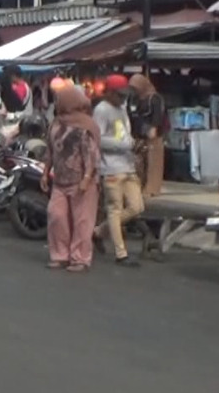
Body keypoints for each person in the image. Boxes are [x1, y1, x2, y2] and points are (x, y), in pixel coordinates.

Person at [43, 84, 102, 272]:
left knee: (82, 221)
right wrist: (45, 172)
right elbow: (50, 150)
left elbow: (91, 154)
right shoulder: (56, 124)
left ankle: (80, 259)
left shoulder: (85, 125)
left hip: (82, 182)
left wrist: (87, 178)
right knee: (56, 216)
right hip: (60, 180)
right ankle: (60, 255)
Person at [95, 74, 145, 267]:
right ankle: (120, 253)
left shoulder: (122, 109)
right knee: (114, 209)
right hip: (111, 167)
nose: (122, 98)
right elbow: (98, 139)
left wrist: (133, 145)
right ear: (109, 92)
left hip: (127, 164)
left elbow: (125, 134)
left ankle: (98, 232)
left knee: (136, 207)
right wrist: (125, 145)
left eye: (124, 95)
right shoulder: (101, 110)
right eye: (119, 95)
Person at [128, 73, 168, 199]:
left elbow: (158, 114)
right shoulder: (133, 98)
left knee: (153, 163)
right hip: (137, 134)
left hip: (152, 135)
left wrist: (154, 128)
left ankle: (152, 188)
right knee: (138, 163)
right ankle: (139, 186)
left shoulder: (154, 98)